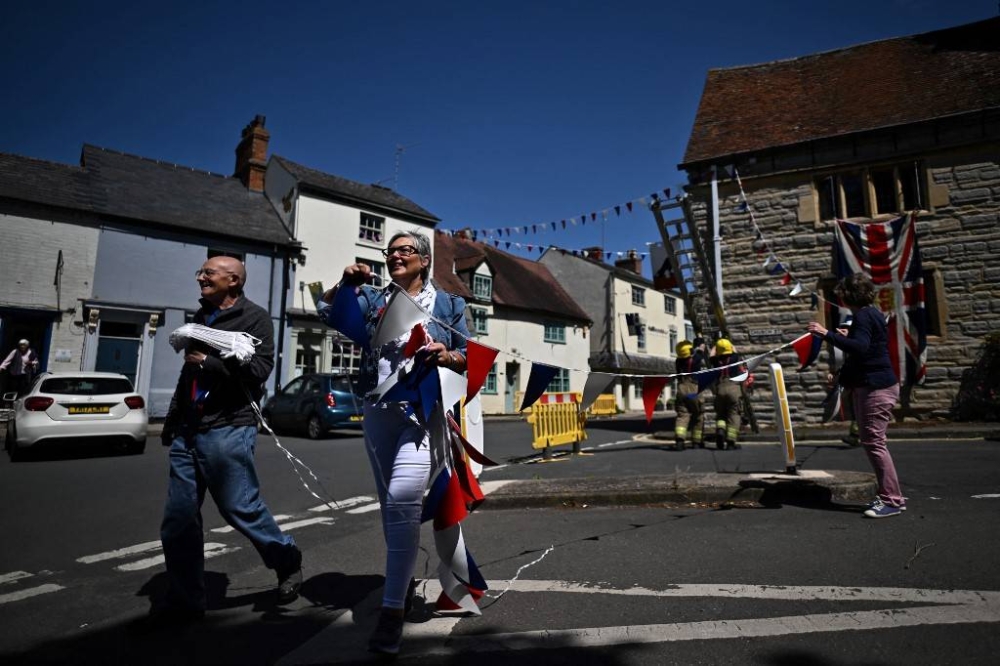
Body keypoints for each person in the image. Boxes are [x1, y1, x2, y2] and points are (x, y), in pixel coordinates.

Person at [319, 230, 470, 656]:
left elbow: (467, 354)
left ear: (423, 260)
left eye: (405, 251)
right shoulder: (374, 297)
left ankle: (390, 612)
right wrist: (345, 283)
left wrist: (447, 353)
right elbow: (326, 311)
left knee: (404, 499)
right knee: (391, 505)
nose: (395, 257)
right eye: (391, 252)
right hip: (378, 411)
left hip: (423, 413)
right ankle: (402, 586)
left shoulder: (450, 304)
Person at [157, 256, 303, 621]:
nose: (200, 277)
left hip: (229, 427)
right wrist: (174, 420)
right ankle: (186, 603)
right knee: (178, 519)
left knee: (239, 507)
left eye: (209, 273)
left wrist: (209, 361)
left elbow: (258, 372)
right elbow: (188, 376)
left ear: (233, 281)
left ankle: (286, 558)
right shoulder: (200, 315)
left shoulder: (254, 319)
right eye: (201, 271)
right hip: (189, 430)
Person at [808, 273, 904, 519]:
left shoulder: (861, 316)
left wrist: (826, 333)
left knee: (874, 443)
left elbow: (860, 348)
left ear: (849, 295)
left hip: (875, 387)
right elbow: (867, 349)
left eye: (841, 294)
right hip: (877, 383)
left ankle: (891, 500)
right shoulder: (871, 313)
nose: (839, 298)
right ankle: (891, 496)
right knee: (874, 442)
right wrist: (846, 337)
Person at [710, 338, 744, 450]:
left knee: (721, 414)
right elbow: (735, 350)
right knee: (734, 414)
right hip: (733, 388)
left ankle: (720, 430)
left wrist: (716, 346)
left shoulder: (715, 360)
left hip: (720, 388)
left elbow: (712, 353)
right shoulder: (735, 358)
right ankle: (730, 442)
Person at [673, 338, 706, 450]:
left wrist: (693, 350)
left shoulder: (678, 361)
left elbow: (688, 355)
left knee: (682, 415)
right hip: (694, 388)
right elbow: (700, 352)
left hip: (681, 388)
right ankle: (696, 442)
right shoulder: (696, 358)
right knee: (698, 415)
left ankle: (680, 440)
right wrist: (699, 348)